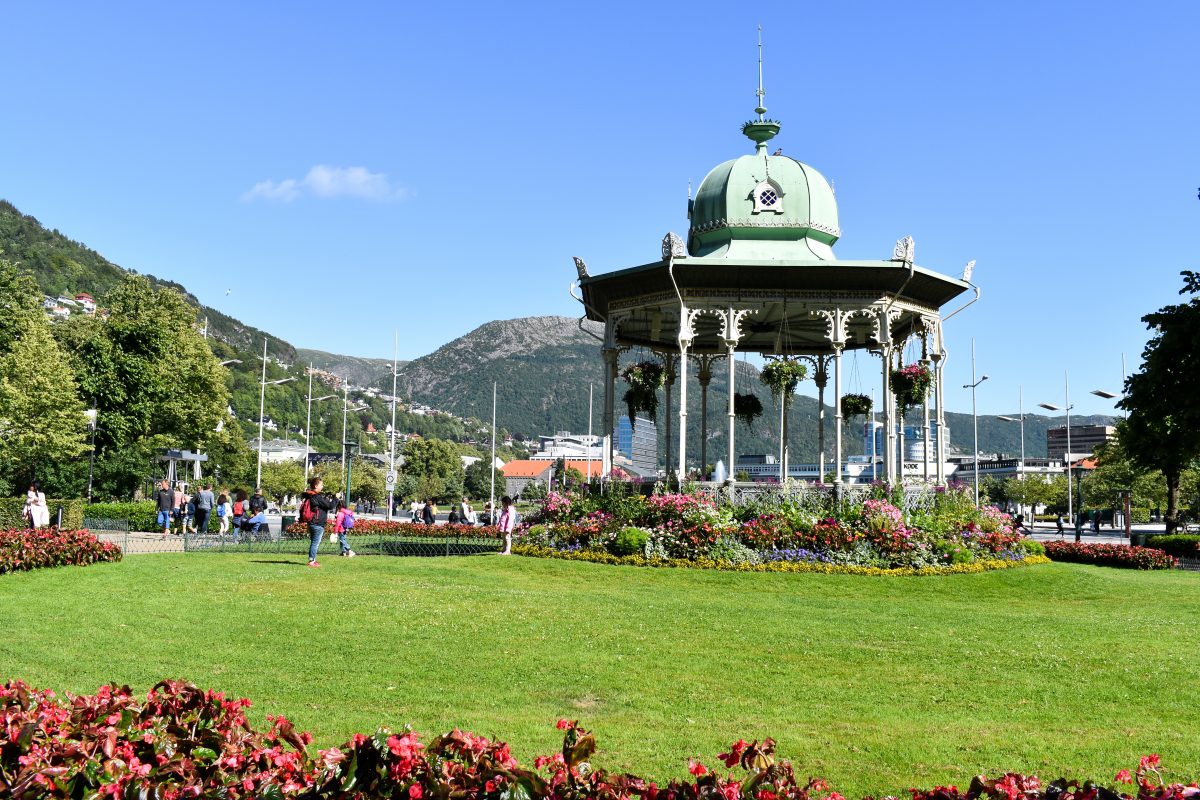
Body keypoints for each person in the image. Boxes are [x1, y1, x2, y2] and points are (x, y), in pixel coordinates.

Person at [299, 476, 337, 567]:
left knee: (314, 542)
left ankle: (313, 559)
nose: (322, 487)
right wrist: (336, 498)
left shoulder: (311, 495)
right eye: (321, 485)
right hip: (317, 523)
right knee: (315, 542)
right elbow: (330, 505)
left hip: (312, 522)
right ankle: (312, 561)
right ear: (316, 486)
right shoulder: (316, 496)